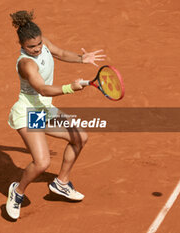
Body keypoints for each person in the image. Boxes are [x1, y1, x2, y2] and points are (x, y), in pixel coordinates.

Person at [6, 10, 106, 220]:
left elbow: (60, 53)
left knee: (80, 137)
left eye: (39, 44)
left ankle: (61, 183)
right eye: (31, 47)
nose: (37, 49)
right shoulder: (26, 63)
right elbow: (42, 89)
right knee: (41, 163)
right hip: (28, 113)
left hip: (43, 110)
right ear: (22, 45)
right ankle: (17, 191)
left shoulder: (43, 44)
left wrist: (82, 59)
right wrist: (71, 87)